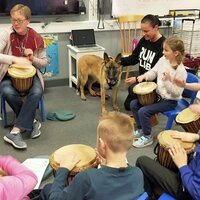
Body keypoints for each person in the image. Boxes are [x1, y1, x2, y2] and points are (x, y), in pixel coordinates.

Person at [40, 111, 144, 200]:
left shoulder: (87, 179)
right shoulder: (138, 174)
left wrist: (63, 169)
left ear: (102, 144)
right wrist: (104, 165)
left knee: (47, 189)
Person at [0, 4, 48, 149]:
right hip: (8, 74)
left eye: (19, 20)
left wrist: (33, 59)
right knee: (7, 91)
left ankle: (15, 131)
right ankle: (32, 121)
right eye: (13, 19)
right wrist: (14, 59)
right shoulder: (5, 34)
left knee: (37, 91)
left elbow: (44, 62)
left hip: (30, 75)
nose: (15, 23)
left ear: (28, 21)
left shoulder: (36, 37)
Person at [131, 36, 187, 148]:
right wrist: (144, 76)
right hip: (158, 95)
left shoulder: (180, 71)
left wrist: (166, 82)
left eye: (166, 50)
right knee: (134, 104)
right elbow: (154, 71)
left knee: (143, 111)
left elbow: (176, 93)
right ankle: (141, 129)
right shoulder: (163, 60)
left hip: (170, 101)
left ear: (176, 53)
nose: (163, 52)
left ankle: (147, 137)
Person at [136, 130, 200, 200]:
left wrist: (182, 166)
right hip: (193, 168)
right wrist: (197, 137)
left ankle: (151, 197)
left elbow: (196, 192)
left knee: (141, 161)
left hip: (187, 190)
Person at [121, 14, 165, 111]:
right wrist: (119, 61)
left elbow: (158, 73)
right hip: (142, 81)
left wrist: (137, 79)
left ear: (156, 28)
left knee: (131, 91)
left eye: (146, 31)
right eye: (142, 30)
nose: (143, 33)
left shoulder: (163, 46)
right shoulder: (144, 40)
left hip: (153, 85)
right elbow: (134, 58)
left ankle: (156, 100)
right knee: (128, 105)